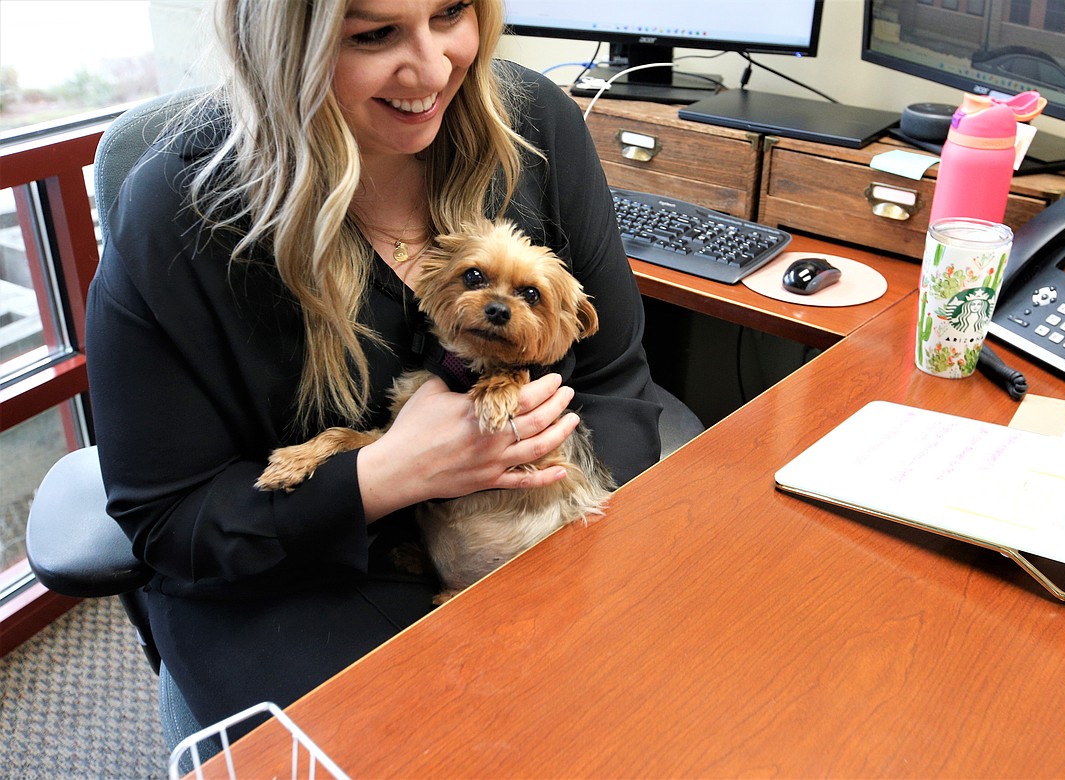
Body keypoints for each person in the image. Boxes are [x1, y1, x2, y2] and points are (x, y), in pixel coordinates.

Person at [86, 0, 662, 730]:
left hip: (525, 538)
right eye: (372, 34)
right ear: (281, 45)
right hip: (284, 582)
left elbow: (613, 383)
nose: (431, 68)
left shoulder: (536, 127)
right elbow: (171, 523)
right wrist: (388, 475)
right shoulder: (177, 213)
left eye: (451, 11)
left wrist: (552, 535)